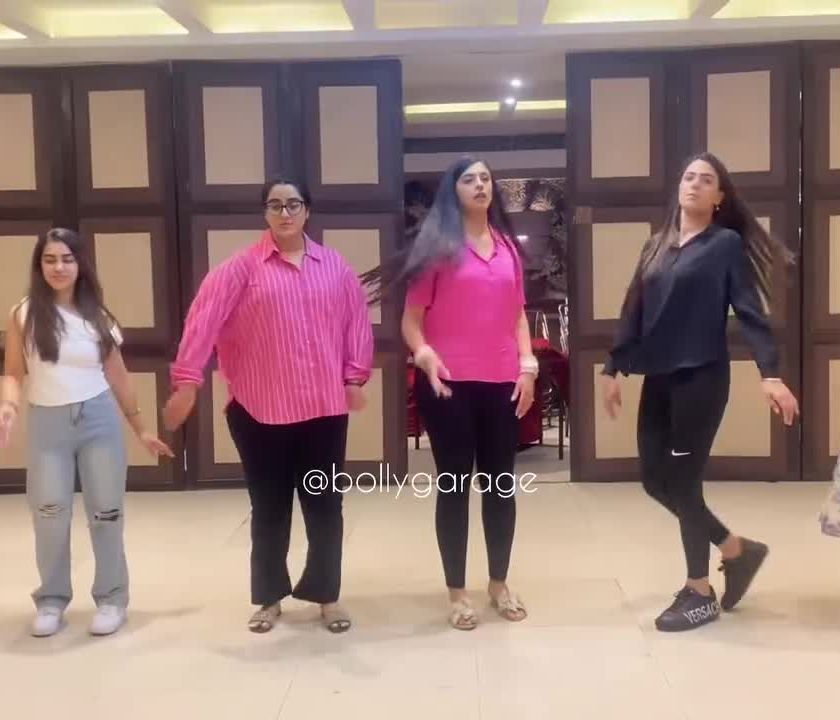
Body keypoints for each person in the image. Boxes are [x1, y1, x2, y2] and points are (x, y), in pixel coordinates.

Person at [162, 177, 373, 634]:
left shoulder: (335, 268)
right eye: (275, 205)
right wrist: (187, 381)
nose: (284, 213)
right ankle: (269, 597)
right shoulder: (239, 269)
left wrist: (354, 377)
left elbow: (356, 324)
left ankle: (326, 595)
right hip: (259, 411)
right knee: (269, 508)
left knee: (325, 506)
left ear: (307, 211)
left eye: (293, 204)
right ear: (265, 213)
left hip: (323, 410)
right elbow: (202, 323)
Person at [601, 152, 800, 632]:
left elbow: (749, 311)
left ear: (719, 197)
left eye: (705, 179)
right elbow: (633, 307)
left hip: (702, 379)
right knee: (655, 480)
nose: (693, 184)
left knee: (684, 483)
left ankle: (699, 590)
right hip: (659, 377)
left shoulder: (724, 245)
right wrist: (613, 366)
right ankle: (737, 550)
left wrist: (770, 373)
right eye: (688, 176)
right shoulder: (656, 245)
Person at [363, 156, 537, 630]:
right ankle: (457, 592)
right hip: (448, 386)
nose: (480, 184)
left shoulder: (507, 248)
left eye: (485, 177)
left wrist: (527, 367)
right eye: (468, 179)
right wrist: (423, 354)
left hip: (503, 384)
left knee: (501, 487)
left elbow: (518, 316)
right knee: (454, 488)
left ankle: (498, 583)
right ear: (453, 191)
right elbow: (411, 321)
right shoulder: (437, 248)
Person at [0, 228, 174, 638]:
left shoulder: (97, 317)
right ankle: (51, 600)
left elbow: (119, 376)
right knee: (49, 513)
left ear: (80, 265)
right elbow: (13, 372)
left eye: (67, 259)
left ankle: (112, 598)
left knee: (106, 512)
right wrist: (8, 405)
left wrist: (141, 429)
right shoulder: (24, 314)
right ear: (39, 265)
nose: (58, 267)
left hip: (97, 421)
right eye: (49, 259)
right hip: (48, 423)